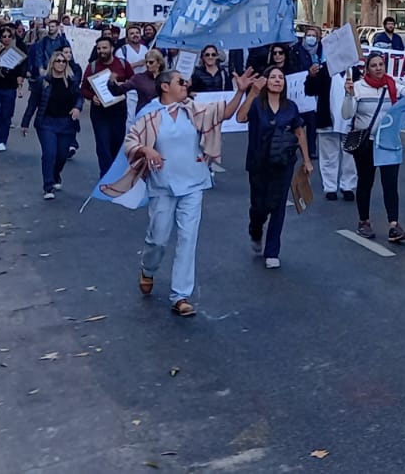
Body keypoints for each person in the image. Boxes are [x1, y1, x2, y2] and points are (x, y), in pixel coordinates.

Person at [123, 70, 245, 317]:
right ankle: (148, 268)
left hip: (194, 182)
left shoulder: (193, 109)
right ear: (165, 86)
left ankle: (180, 295)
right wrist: (147, 149)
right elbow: (130, 142)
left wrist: (241, 91)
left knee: (188, 239)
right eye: (181, 81)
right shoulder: (149, 114)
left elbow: (225, 113)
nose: (186, 85)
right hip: (162, 185)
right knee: (158, 238)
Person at [237, 64, 314, 269]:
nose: (277, 80)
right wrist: (252, 93)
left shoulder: (291, 107)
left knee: (278, 206)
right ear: (266, 81)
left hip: (283, 163)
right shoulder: (256, 104)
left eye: (281, 77)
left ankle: (272, 251)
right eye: (273, 77)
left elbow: (299, 133)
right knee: (260, 206)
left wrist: (306, 160)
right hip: (258, 162)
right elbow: (240, 117)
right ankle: (255, 230)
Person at [346, 53, 405, 242]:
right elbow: (346, 114)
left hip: (388, 143)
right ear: (367, 69)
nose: (378, 68)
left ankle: (394, 225)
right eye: (373, 65)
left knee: (390, 184)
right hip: (366, 144)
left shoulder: (393, 86)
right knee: (366, 182)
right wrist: (349, 96)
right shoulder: (357, 88)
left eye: (381, 64)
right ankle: (364, 222)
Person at [20, 53, 82, 199]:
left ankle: (55, 175)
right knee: (49, 153)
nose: (61, 64)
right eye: (58, 61)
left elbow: (79, 97)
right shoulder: (43, 82)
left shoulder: (72, 81)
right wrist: (25, 123)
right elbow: (32, 103)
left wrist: (77, 107)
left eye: (64, 61)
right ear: (52, 63)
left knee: (62, 155)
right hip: (47, 123)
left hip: (67, 123)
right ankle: (48, 186)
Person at [305, 55, 358, 202]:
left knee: (350, 156)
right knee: (329, 156)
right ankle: (330, 187)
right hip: (328, 120)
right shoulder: (324, 70)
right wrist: (311, 77)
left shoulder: (356, 71)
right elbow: (310, 91)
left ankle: (347, 186)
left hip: (351, 122)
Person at [83, 36, 135, 180]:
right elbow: (84, 88)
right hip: (100, 113)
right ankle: (106, 176)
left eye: (104, 48)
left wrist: (121, 85)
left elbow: (133, 82)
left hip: (119, 111)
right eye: (99, 48)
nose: (101, 51)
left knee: (117, 143)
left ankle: (116, 171)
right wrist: (92, 97)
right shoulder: (92, 66)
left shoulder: (123, 65)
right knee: (103, 143)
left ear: (112, 48)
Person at [0, 26, 29, 152]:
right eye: (4, 36)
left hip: (9, 86)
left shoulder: (16, 50)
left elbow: (22, 67)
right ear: (0, 37)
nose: (7, 39)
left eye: (9, 36)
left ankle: (2, 140)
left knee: (6, 116)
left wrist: (20, 78)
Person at [128, 49, 168, 116]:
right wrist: (112, 83)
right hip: (144, 114)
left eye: (151, 62)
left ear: (159, 63)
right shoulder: (139, 78)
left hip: (162, 114)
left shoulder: (167, 78)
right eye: (146, 62)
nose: (148, 64)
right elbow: (121, 88)